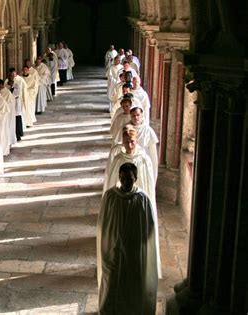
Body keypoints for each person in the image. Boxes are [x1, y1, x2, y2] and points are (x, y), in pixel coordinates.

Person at [97, 162, 158, 314]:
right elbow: (103, 224)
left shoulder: (142, 199)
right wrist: (108, 246)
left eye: (129, 179)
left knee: (132, 282)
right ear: (119, 177)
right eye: (123, 178)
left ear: (136, 178)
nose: (126, 182)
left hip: (133, 250)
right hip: (114, 249)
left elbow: (149, 227)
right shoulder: (110, 197)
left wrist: (138, 243)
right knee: (111, 281)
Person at [103, 128, 161, 278]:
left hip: (138, 205)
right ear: (122, 141)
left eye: (132, 142)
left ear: (137, 141)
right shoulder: (118, 159)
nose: (129, 145)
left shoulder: (143, 159)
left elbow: (148, 184)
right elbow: (111, 182)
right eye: (127, 142)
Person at [114, 106, 159, 180]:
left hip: (142, 162)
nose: (136, 117)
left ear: (142, 115)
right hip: (127, 160)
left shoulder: (148, 131)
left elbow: (153, 154)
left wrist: (152, 171)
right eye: (133, 116)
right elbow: (119, 145)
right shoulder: (125, 129)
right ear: (130, 116)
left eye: (138, 115)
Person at [5, 67, 26, 141]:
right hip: (9, 104)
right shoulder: (5, 83)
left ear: (14, 75)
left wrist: (11, 91)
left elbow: (17, 93)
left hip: (16, 103)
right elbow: (5, 93)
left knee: (17, 119)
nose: (11, 77)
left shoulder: (17, 83)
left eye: (12, 75)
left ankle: (18, 134)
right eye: (10, 75)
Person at [0, 79, 17, 150]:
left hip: (7, 112)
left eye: (0, 86)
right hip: (1, 113)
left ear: (2, 85)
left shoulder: (7, 92)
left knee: (8, 127)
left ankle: (9, 142)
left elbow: (8, 102)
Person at [21, 61, 39, 126]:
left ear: (28, 71)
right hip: (22, 97)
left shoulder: (31, 79)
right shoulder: (20, 79)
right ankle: (24, 122)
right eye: (24, 70)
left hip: (29, 97)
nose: (25, 71)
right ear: (22, 71)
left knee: (29, 109)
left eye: (26, 70)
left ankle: (29, 121)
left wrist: (27, 92)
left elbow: (34, 88)